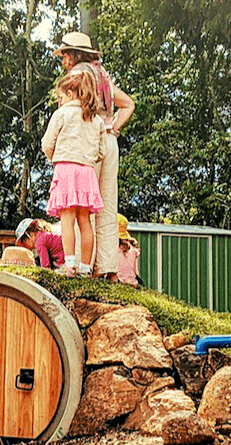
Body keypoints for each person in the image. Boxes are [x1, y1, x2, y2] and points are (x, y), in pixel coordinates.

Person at [53, 31, 136, 281]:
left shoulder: (77, 76)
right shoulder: (103, 76)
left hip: (86, 143)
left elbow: (69, 115)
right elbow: (129, 104)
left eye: (66, 54)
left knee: (80, 207)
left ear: (76, 54)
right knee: (107, 207)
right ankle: (107, 268)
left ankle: (79, 265)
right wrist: (114, 128)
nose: (64, 60)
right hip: (108, 140)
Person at [42, 70, 108, 277]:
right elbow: (102, 152)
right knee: (85, 221)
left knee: (67, 220)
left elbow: (47, 143)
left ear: (70, 93)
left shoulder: (61, 114)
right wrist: (87, 159)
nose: (59, 101)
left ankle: (70, 265)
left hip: (66, 169)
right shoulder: (96, 120)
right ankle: (86, 268)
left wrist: (55, 157)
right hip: (87, 172)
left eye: (60, 97)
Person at [116, 214, 141, 287]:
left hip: (119, 282)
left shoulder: (113, 250)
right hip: (133, 283)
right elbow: (136, 273)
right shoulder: (134, 251)